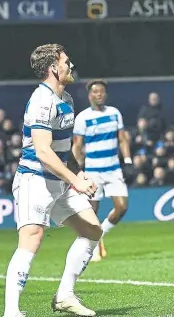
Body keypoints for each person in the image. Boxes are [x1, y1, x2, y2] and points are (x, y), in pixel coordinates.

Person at [4, 44, 101, 317]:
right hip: (35, 180)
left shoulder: (67, 99)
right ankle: (11, 311)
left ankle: (64, 296)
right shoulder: (41, 100)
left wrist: (77, 172)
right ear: (53, 68)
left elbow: (62, 147)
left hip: (59, 180)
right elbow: (44, 152)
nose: (70, 65)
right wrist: (76, 181)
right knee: (31, 237)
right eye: (66, 62)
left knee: (92, 230)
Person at [72, 79, 132, 262]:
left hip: (113, 169)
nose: (100, 95)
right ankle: (90, 246)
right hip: (93, 171)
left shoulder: (115, 113)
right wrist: (77, 170)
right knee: (92, 211)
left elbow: (122, 139)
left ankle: (101, 233)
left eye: (102, 92)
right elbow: (77, 145)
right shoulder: (83, 117)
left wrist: (128, 160)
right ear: (90, 95)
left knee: (122, 207)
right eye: (96, 92)